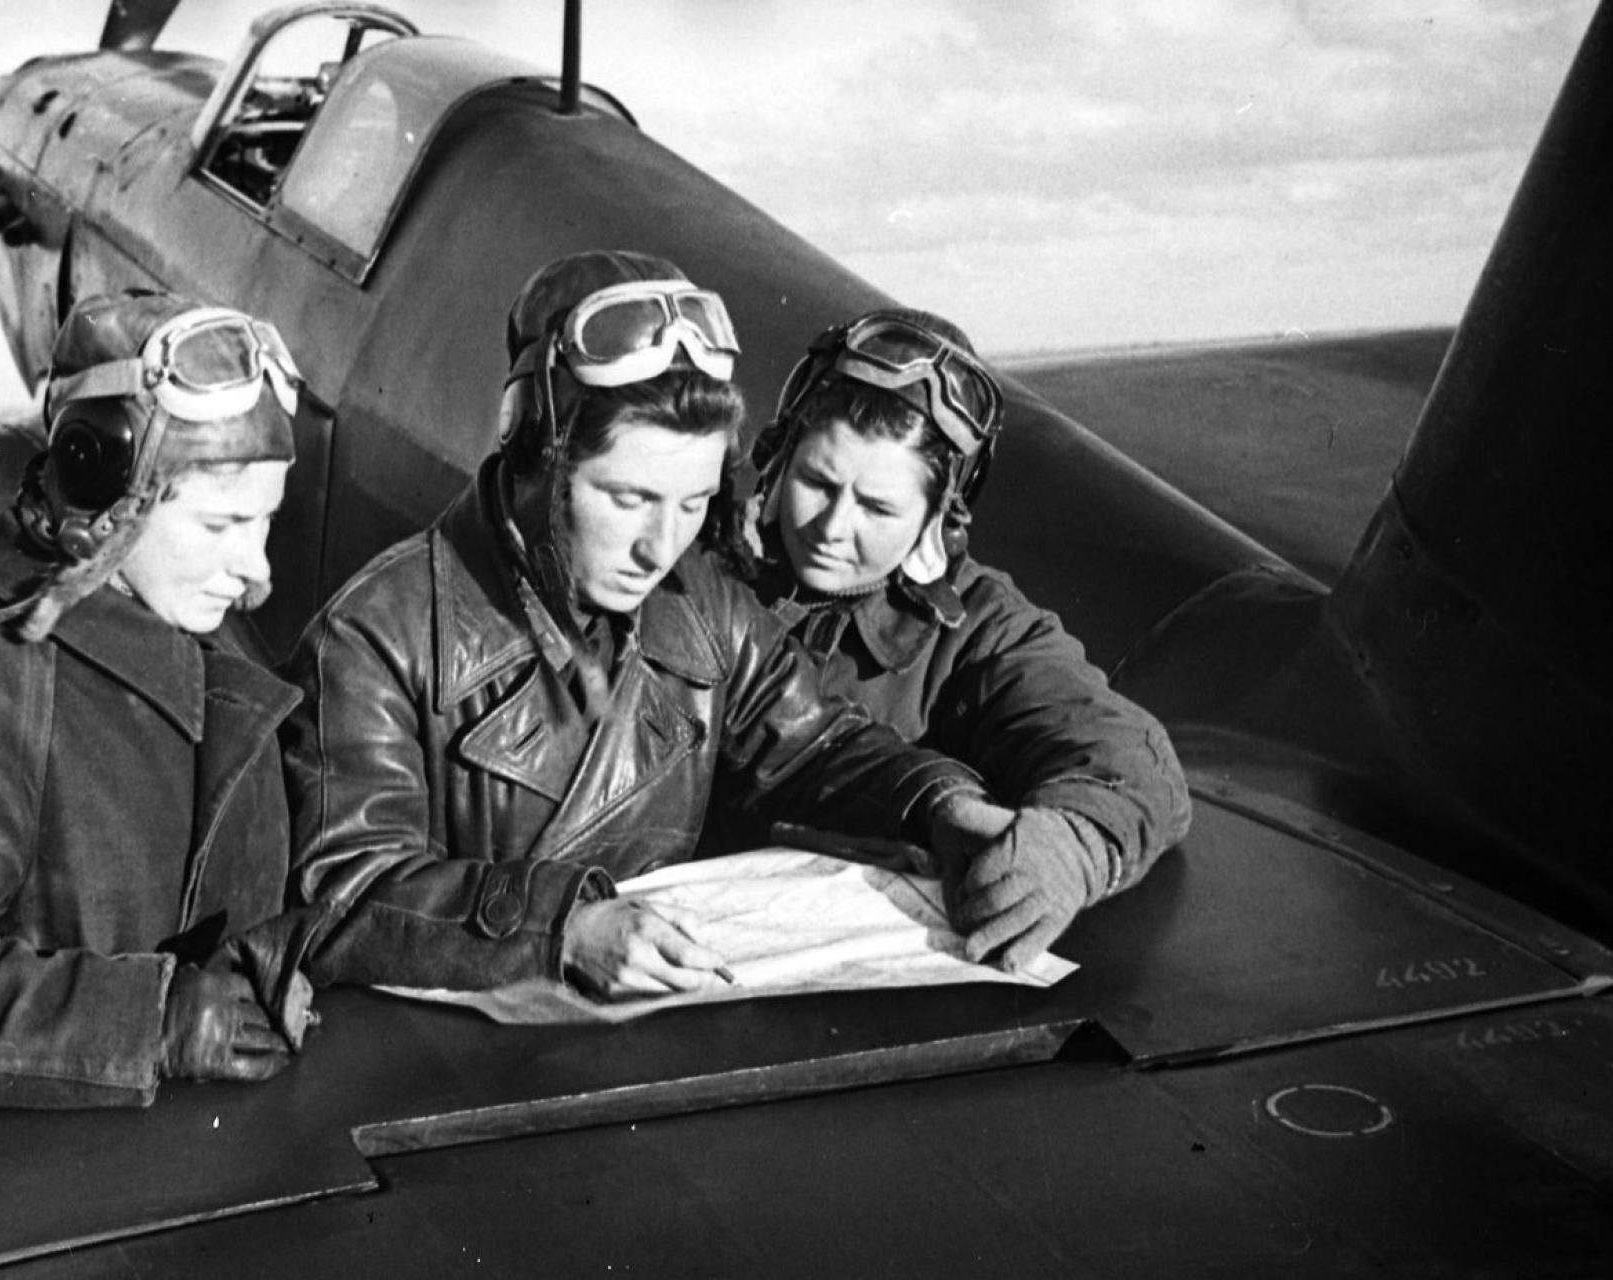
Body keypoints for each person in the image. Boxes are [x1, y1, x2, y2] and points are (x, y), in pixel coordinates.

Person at [284, 251, 1046, 1001]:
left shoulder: (699, 603)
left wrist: (946, 809)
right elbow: (342, 894)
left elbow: (819, 747)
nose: (660, 547)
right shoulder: (375, 636)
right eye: (628, 498)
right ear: (536, 459)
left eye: (692, 505)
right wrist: (560, 930)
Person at [0, 292, 314, 1108]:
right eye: (219, 524)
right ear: (98, 492)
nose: (256, 572)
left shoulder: (195, 632)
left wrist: (273, 961)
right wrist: (146, 1022)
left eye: (265, 524)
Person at [731, 307, 1192, 963]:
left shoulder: (974, 624)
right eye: (816, 482)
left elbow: (1122, 749)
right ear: (778, 460)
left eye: (877, 507)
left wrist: (1074, 842)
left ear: (937, 522)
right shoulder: (694, 569)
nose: (832, 528)